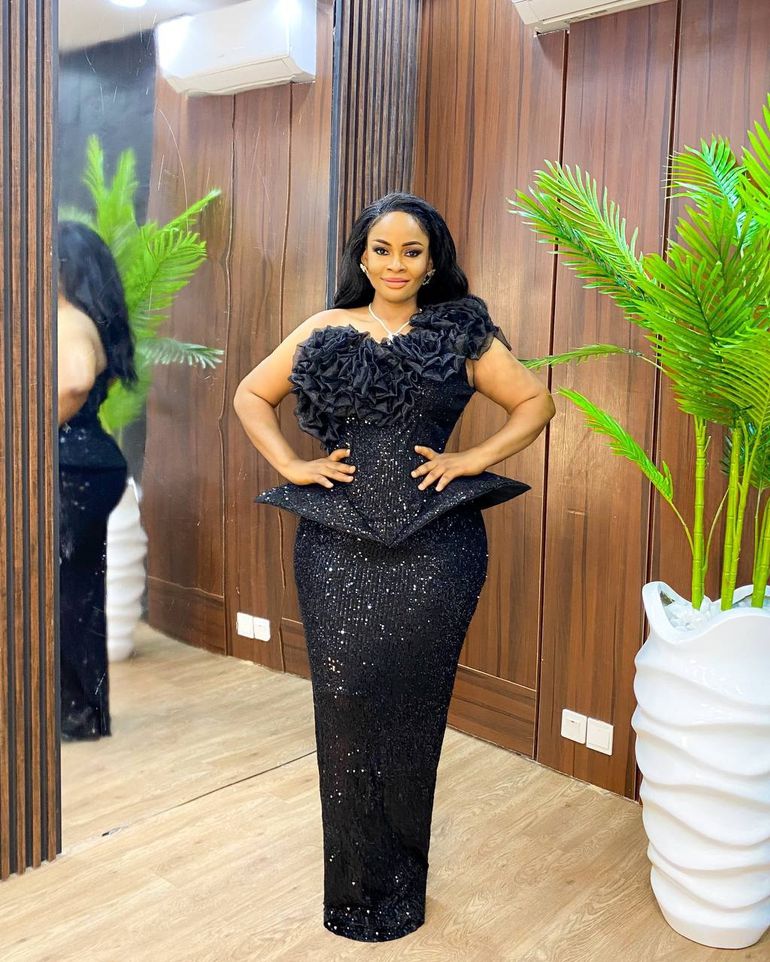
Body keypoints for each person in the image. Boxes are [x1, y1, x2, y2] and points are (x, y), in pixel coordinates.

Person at [233, 192, 556, 942]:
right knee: (344, 700)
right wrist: (291, 464)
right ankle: (354, 890)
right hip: (336, 544)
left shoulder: (461, 330)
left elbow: (536, 403)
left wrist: (469, 458)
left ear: (432, 260)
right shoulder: (325, 327)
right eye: (382, 249)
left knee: (415, 706)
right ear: (363, 256)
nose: (396, 264)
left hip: (438, 547)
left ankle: (401, 887)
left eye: (412, 251)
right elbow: (252, 394)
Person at [57, 220, 137, 741]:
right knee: (78, 590)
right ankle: (81, 713)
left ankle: (76, 713)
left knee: (64, 591)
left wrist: (27, 434)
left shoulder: (68, 318)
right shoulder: (89, 319)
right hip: (91, 465)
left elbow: (75, 381)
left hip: (73, 469)